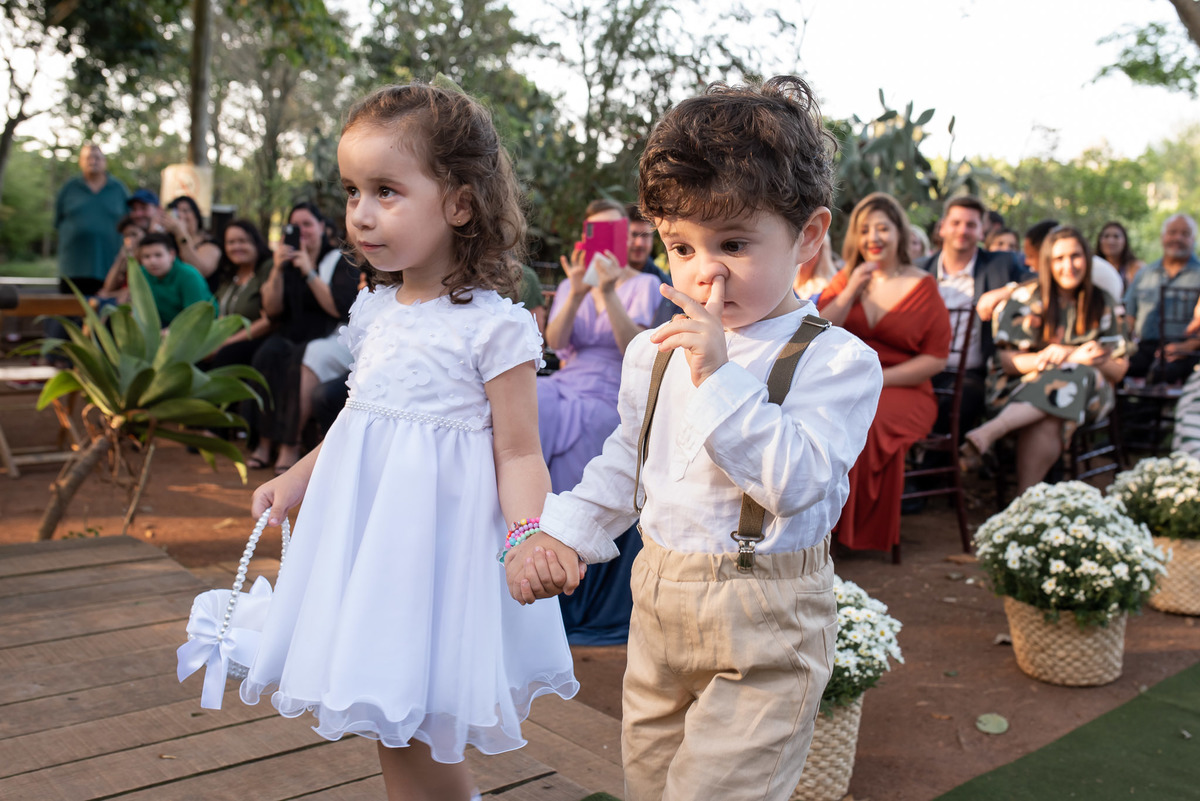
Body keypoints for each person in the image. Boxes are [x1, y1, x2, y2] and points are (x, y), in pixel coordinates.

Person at [508, 76, 883, 801]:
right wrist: (560, 534)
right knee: (648, 782)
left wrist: (717, 374)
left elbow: (797, 479)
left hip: (767, 622)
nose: (703, 271)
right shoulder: (653, 350)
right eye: (681, 246)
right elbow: (627, 461)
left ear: (807, 235)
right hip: (657, 605)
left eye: (734, 243)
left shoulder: (835, 360)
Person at [245, 82, 577, 801]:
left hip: (439, 556)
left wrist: (528, 533)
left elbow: (520, 452)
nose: (361, 214)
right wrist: (296, 477)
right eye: (353, 191)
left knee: (420, 719)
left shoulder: (495, 326)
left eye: (387, 191)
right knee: (388, 719)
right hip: (370, 547)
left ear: (459, 202)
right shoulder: (376, 311)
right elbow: (359, 420)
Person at [539, 199, 662, 644]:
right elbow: (554, 343)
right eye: (596, 233)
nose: (608, 242)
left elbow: (637, 348)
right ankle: (525, 527)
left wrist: (608, 292)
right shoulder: (577, 283)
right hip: (566, 379)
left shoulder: (647, 285)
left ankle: (565, 553)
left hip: (614, 386)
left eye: (614, 232)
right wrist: (575, 290)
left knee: (588, 424)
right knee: (529, 400)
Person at [819, 193, 951, 554]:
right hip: (850, 385)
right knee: (823, 416)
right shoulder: (847, 277)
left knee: (868, 422)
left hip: (904, 387)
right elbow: (815, 330)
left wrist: (879, 380)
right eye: (865, 230)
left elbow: (936, 358)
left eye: (882, 228)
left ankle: (853, 533)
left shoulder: (923, 285)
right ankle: (821, 525)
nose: (873, 238)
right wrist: (849, 292)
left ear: (899, 233)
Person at [961, 226, 1129, 493]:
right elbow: (1008, 362)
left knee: (1076, 375)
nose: (1068, 265)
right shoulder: (1026, 298)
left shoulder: (1103, 302)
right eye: (1059, 258)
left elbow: (1119, 371)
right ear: (1047, 262)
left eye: (1075, 256)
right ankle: (1028, 502)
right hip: (1015, 389)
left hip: (1090, 394)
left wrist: (1082, 358)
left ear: (1087, 257)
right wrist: (1057, 357)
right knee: (1053, 408)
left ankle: (991, 433)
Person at [247, 202, 358, 473]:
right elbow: (271, 310)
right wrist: (276, 269)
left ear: (322, 227)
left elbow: (339, 309)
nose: (302, 231)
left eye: (307, 224)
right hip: (291, 335)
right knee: (267, 354)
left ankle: (290, 444)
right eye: (294, 226)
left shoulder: (338, 260)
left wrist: (308, 270)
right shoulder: (284, 263)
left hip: (330, 336)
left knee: (304, 357)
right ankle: (263, 443)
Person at [917, 195, 1030, 435]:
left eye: (971, 224)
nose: (963, 230)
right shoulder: (920, 268)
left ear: (982, 232)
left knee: (959, 404)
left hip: (972, 374)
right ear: (943, 227)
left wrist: (1005, 291)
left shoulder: (1001, 264)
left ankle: (932, 469)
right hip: (919, 368)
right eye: (956, 223)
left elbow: (1040, 280)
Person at [1124, 213, 1200, 383]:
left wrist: (1187, 347)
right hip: (1145, 348)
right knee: (1116, 369)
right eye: (1172, 232)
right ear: (1162, 237)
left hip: (1187, 351)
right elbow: (1129, 317)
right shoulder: (1145, 274)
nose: (1177, 238)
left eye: (1185, 234)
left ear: (1193, 239)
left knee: (1162, 373)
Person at [54, 143, 128, 295]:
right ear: (81, 162)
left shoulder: (118, 189)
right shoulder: (69, 188)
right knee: (69, 314)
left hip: (110, 268)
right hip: (73, 269)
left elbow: (129, 224)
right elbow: (58, 221)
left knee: (106, 315)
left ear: (105, 161)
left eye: (97, 158)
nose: (93, 161)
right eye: (88, 158)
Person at [207, 219, 274, 368]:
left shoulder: (268, 268)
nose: (236, 247)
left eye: (243, 241)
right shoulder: (229, 273)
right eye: (231, 242)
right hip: (225, 339)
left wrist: (227, 343)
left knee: (226, 356)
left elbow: (269, 321)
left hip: (256, 340)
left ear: (256, 242)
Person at [134, 232, 214, 324]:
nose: (152, 261)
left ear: (171, 255)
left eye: (158, 255)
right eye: (146, 256)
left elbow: (196, 316)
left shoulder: (189, 275)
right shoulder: (141, 274)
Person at [163, 195, 223, 284]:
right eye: (175, 212)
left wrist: (181, 234)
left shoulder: (210, 244)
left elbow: (199, 271)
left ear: (196, 214)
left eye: (185, 211)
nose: (180, 215)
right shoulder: (167, 243)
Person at [96, 215, 146, 305]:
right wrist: (120, 258)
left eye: (134, 234)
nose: (130, 239)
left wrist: (110, 294)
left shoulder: (149, 259)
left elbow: (137, 290)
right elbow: (108, 287)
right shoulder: (127, 258)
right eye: (126, 236)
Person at [1096, 220, 1144, 290]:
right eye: (1106, 236)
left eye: (1116, 236)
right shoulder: (1093, 267)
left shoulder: (1137, 268)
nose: (1110, 241)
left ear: (1125, 242)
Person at [793, 232, 837, 302]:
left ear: (822, 252)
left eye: (810, 247)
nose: (805, 254)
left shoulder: (830, 288)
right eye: (800, 245)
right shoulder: (782, 285)